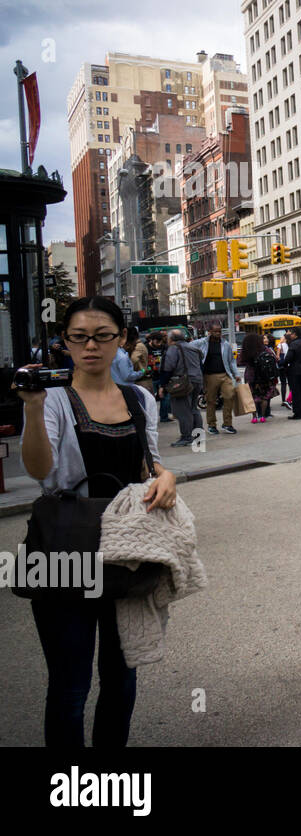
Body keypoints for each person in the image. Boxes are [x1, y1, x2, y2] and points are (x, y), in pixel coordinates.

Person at [14, 296, 178, 746]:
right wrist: (30, 409)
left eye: (103, 336)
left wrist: (169, 477)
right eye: (79, 337)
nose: (91, 346)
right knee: (70, 687)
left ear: (121, 340)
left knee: (121, 680)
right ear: (65, 342)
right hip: (63, 553)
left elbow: (152, 465)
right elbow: (38, 471)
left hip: (127, 551)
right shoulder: (51, 400)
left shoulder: (138, 397)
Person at [158, 329, 203, 447]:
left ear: (171, 339)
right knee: (194, 409)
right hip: (197, 380)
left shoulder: (174, 349)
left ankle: (186, 437)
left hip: (182, 383)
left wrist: (163, 385)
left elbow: (168, 367)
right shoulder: (193, 347)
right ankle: (198, 436)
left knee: (183, 411)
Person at [193, 320, 238, 435]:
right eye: (216, 331)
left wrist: (236, 374)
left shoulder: (225, 344)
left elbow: (231, 361)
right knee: (211, 401)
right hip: (209, 376)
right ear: (209, 332)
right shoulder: (202, 343)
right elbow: (189, 346)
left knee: (230, 395)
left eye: (220, 331)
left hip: (224, 374)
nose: (218, 333)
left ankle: (227, 424)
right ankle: (212, 425)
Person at [242, 332, 280, 423]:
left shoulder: (246, 351)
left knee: (252, 397)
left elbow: (240, 362)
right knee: (264, 397)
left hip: (250, 376)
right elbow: (274, 359)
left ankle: (254, 417)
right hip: (264, 376)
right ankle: (263, 416)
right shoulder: (265, 349)